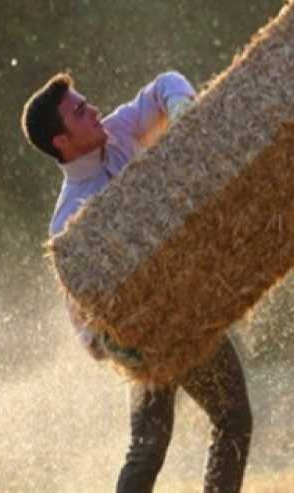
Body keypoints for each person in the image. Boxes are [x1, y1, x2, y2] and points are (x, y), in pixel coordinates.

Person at [21, 71, 253, 493]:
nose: (92, 110)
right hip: (142, 344)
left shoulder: (119, 130)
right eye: (79, 111)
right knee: (153, 448)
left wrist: (182, 109)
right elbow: (88, 334)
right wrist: (126, 344)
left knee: (223, 423)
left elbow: (166, 83)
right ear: (62, 141)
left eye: (85, 102)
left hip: (189, 310)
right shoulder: (70, 222)